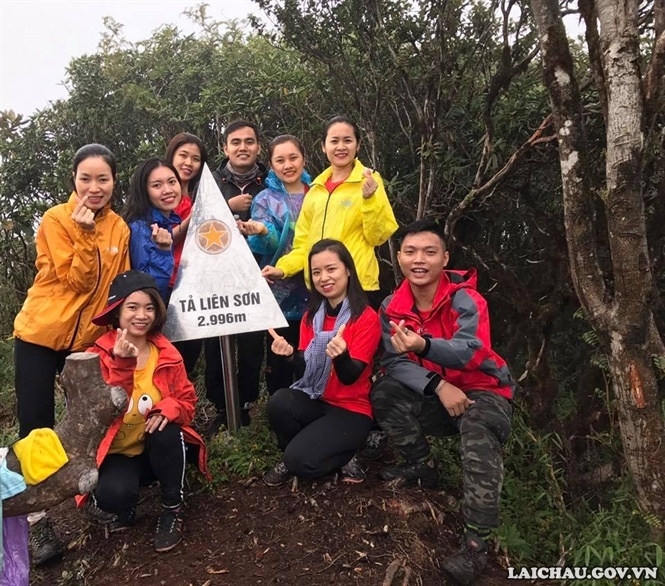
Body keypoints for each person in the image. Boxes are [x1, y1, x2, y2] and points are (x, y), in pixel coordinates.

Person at [370, 219, 515, 585]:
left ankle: (476, 542)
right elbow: (394, 361)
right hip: (437, 393)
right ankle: (420, 465)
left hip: (485, 391)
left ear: (445, 258)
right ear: (399, 257)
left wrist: (425, 346)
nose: (419, 260)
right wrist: (437, 384)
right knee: (385, 391)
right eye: (411, 251)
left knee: (478, 428)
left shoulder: (466, 298)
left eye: (430, 252)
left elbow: (472, 350)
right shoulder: (393, 305)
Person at [13, 143, 131, 565]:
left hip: (86, 343)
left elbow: (116, 289)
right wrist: (83, 233)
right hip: (41, 337)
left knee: (93, 421)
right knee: (37, 430)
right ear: (73, 181)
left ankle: (89, 498)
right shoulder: (56, 220)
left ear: (115, 182)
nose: (94, 188)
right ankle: (38, 519)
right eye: (86, 179)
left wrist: (124, 328)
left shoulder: (119, 227)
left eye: (103, 179)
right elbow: (80, 281)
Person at [82, 270, 209, 553]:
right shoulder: (96, 356)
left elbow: (188, 402)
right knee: (114, 495)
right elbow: (98, 414)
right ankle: (126, 504)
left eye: (149, 308)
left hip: (157, 449)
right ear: (116, 313)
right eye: (133, 307)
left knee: (168, 428)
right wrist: (123, 366)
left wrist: (169, 407)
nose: (142, 315)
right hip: (117, 453)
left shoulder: (166, 353)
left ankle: (172, 509)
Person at [263, 239, 380, 487]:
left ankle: (343, 453)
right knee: (279, 403)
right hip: (318, 400)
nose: (324, 277)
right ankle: (305, 449)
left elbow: (350, 376)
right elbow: (306, 368)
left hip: (352, 410)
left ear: (348, 269)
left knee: (301, 463)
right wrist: (290, 356)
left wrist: (341, 356)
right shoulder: (312, 317)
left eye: (331, 269)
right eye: (316, 272)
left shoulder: (366, 318)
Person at [261, 116, 398, 309]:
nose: (341, 146)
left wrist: (369, 200)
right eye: (334, 141)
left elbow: (378, 236)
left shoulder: (369, 181)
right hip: (321, 290)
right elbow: (303, 246)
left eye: (347, 140)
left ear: (357, 145)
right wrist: (282, 269)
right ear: (324, 147)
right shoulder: (316, 190)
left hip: (357, 287)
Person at [238, 134, 311, 394]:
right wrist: (261, 231)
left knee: (313, 351)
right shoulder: (265, 199)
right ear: (271, 164)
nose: (287, 165)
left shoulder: (319, 194)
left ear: (303, 158)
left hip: (317, 289)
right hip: (280, 291)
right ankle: (281, 410)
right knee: (281, 356)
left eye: (293, 157)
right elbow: (266, 246)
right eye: (280, 160)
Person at [209, 120, 269, 427]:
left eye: (249, 142)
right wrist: (226, 205)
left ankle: (245, 402)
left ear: (258, 146)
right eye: (236, 142)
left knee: (250, 343)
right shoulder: (211, 182)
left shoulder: (269, 180)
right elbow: (195, 220)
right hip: (217, 276)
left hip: (258, 274)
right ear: (225, 148)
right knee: (216, 341)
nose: (242, 147)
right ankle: (220, 407)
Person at [124, 158, 182, 300]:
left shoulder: (163, 223)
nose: (168, 190)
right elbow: (149, 289)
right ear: (144, 192)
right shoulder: (140, 229)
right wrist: (162, 251)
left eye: (172, 182)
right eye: (157, 185)